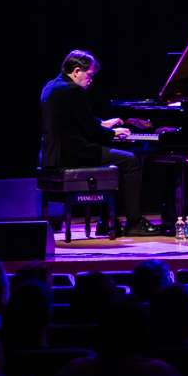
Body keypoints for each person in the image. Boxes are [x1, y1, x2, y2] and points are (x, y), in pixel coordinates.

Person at [39, 50, 160, 236]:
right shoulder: (73, 90)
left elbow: (76, 120)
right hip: (74, 154)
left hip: (53, 155)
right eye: (90, 75)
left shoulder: (51, 87)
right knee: (131, 161)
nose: (91, 80)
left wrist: (103, 123)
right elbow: (91, 131)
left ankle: (107, 222)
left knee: (116, 158)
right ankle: (133, 223)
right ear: (76, 71)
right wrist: (113, 132)